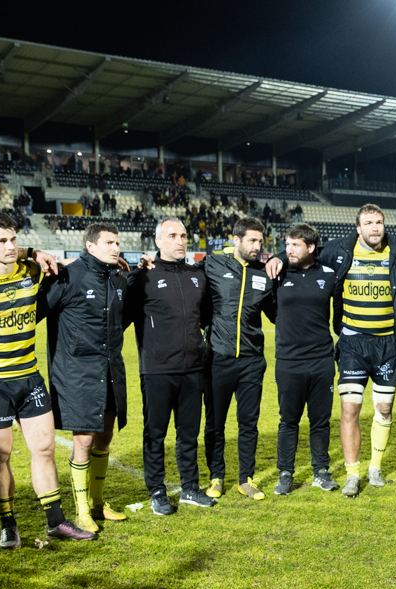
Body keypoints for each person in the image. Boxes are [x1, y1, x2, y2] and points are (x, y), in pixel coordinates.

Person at [0, 210, 94, 546]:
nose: (11, 245)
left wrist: (34, 252)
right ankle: (8, 525)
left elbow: (70, 267)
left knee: (44, 449)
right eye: (2, 240)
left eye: (14, 239)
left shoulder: (30, 271)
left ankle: (56, 522)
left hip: (29, 377)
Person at [319, 204, 396, 496]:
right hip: (353, 343)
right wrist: (277, 258)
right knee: (350, 408)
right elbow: (305, 254)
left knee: (384, 408)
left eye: (379, 222)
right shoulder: (339, 250)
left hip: (388, 343)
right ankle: (352, 474)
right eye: (369, 223)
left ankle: (375, 467)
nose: (375, 227)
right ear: (358, 228)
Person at [42, 223, 131, 533]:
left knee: (105, 438)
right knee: (83, 441)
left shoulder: (119, 279)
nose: (116, 247)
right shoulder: (68, 276)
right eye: (109, 242)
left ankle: (96, 503)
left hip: (110, 371)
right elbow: (37, 310)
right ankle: (81, 511)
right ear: (90, 246)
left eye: (117, 242)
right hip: (77, 374)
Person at [124, 218, 216, 516]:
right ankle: (157, 491)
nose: (180, 241)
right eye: (173, 235)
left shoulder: (197, 276)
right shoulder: (143, 277)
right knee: (155, 434)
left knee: (189, 433)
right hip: (157, 369)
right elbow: (124, 316)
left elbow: (203, 317)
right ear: (158, 241)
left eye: (184, 235)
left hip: (193, 369)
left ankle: (190, 488)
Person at [271, 223, 345, 494]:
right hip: (288, 360)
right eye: (287, 244)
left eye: (295, 245)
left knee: (320, 420)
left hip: (321, 360)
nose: (289, 249)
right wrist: (279, 256)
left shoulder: (329, 273)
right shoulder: (278, 272)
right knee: (288, 420)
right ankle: (285, 473)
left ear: (311, 248)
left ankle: (321, 471)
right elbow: (270, 308)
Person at [204, 216, 274, 500]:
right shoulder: (212, 265)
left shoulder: (265, 274)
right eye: (253, 241)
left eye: (261, 241)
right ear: (237, 240)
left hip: (251, 361)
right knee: (215, 423)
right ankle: (216, 476)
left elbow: (278, 312)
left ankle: (246, 478)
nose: (258, 246)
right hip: (218, 358)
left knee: (248, 423)